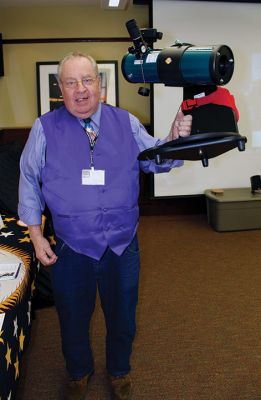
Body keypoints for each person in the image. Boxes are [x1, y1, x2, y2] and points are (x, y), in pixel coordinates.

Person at [18, 51, 192, 400]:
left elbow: (157, 159)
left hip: (122, 244)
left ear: (100, 85)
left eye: (87, 81)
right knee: (72, 318)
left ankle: (119, 370)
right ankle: (78, 372)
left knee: (123, 317)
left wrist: (175, 138)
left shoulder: (125, 122)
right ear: (60, 88)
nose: (80, 90)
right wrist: (37, 238)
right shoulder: (44, 128)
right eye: (70, 83)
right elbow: (28, 180)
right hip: (72, 246)